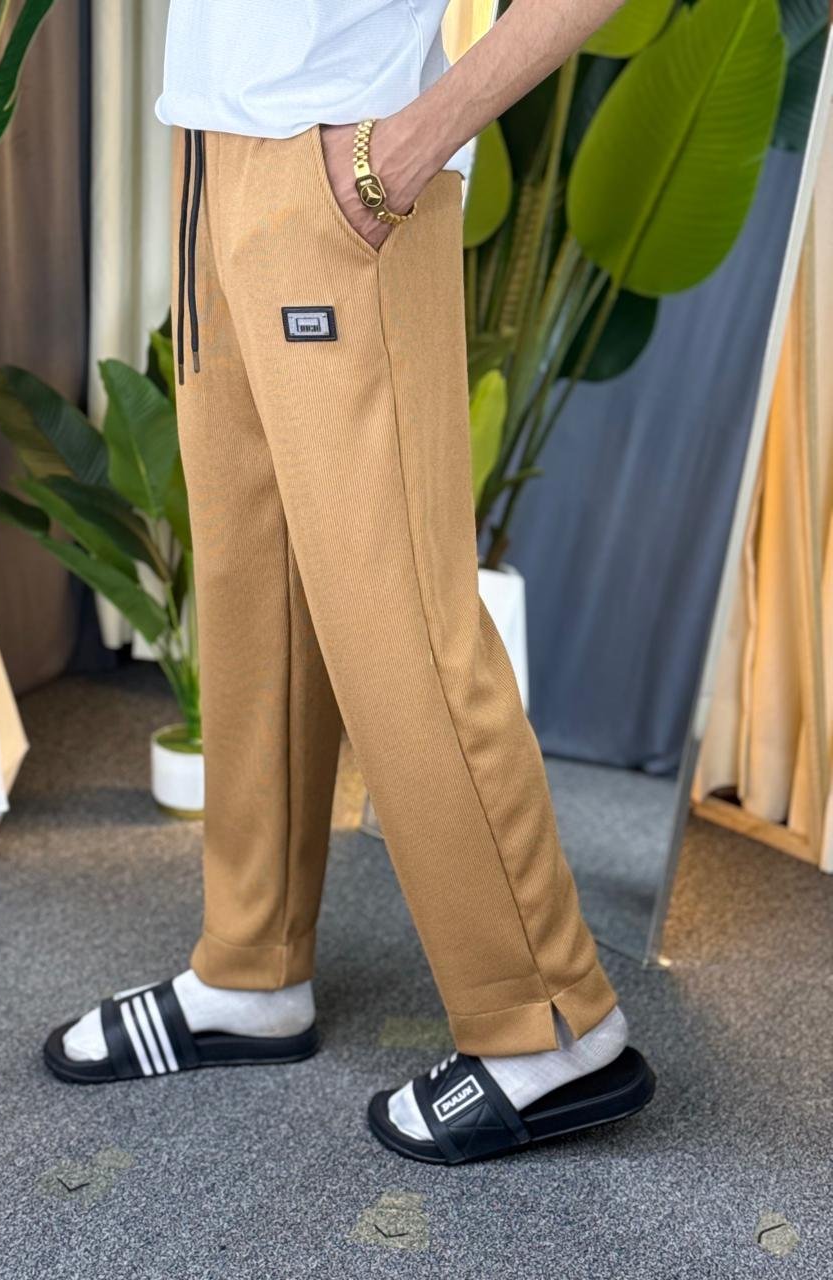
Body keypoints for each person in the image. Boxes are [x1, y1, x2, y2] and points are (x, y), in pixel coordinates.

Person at [44, 0, 656, 1166]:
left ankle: (550, 1021)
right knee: (252, 589)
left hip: (346, 170)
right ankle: (251, 967)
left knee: (398, 619)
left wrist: (409, 147)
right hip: (210, 152)